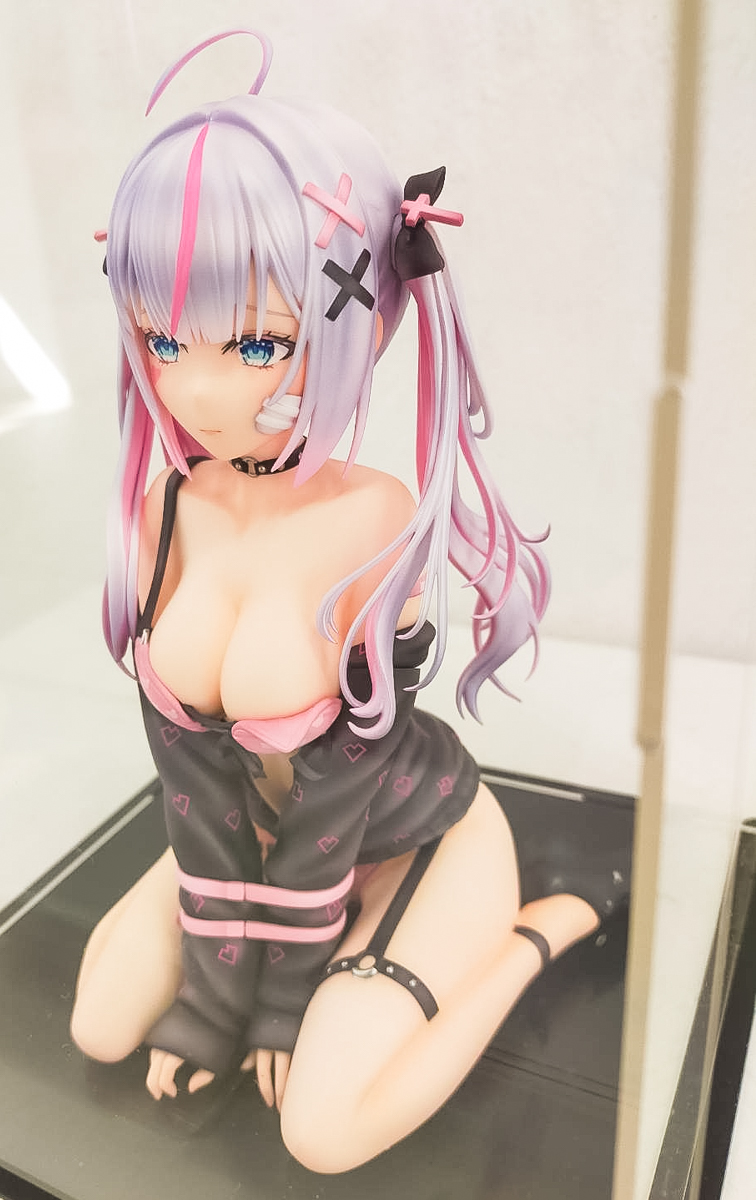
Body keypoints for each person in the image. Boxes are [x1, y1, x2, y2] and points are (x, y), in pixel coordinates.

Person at [70, 31, 617, 1173]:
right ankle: (266, 958)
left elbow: (343, 782)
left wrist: (277, 1004)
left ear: (355, 317)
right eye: (163, 336)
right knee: (99, 1028)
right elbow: (188, 771)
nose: (195, 386)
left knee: (322, 1131)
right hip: (256, 841)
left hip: (413, 837)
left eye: (255, 341)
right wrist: (219, 993)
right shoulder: (168, 507)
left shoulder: (373, 517)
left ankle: (539, 932)